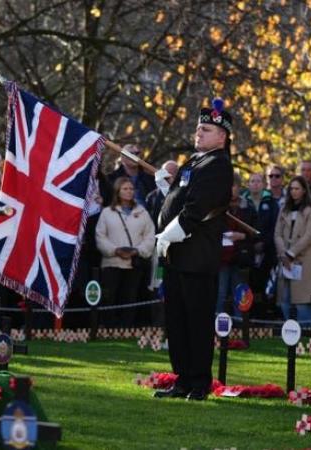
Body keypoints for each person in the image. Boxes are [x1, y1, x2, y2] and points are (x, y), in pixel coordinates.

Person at [154, 98, 234, 401]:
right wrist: (166, 189)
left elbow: (198, 207)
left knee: (197, 322)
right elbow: (180, 197)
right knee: (177, 322)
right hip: (178, 255)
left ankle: (199, 382)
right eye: (198, 128)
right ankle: (183, 379)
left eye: (206, 129)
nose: (198, 133)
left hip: (197, 256)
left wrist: (171, 233)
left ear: (221, 136)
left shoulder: (218, 165)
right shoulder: (194, 161)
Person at [95, 177, 155, 327]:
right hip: (112, 263)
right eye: (125, 189)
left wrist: (137, 251)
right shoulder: (107, 213)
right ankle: (108, 328)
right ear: (118, 191)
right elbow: (100, 236)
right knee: (110, 297)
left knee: (130, 298)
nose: (129, 192)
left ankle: (126, 328)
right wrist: (115, 250)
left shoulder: (142, 213)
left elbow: (150, 236)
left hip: (133, 264)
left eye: (131, 189)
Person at [274, 176, 311, 325]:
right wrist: (283, 254)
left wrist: (291, 253)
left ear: (303, 191)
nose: (294, 192)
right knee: (285, 300)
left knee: (303, 302)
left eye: (297, 189)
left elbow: (309, 236)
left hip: (304, 261)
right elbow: (277, 234)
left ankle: (307, 335)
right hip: (285, 261)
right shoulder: (284, 209)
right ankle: (290, 334)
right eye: (291, 189)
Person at [216, 172, 257, 315]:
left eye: (234, 185)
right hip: (221, 259)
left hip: (241, 259)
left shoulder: (248, 208)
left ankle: (240, 328)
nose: (231, 189)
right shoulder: (217, 208)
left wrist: (243, 236)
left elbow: (257, 235)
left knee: (241, 297)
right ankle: (217, 328)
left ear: (239, 187)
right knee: (219, 295)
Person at [243, 172, 279, 317]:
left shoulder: (271, 202)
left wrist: (264, 243)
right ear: (248, 184)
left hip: (267, 251)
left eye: (258, 181)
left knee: (265, 285)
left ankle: (265, 316)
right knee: (249, 285)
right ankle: (249, 317)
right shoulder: (243, 202)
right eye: (252, 181)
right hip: (247, 251)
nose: (255, 184)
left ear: (263, 184)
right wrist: (252, 244)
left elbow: (275, 226)